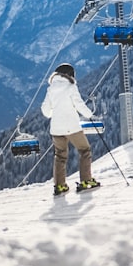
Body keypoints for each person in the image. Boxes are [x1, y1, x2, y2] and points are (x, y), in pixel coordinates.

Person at [41, 63, 100, 195]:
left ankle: (59, 186)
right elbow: (79, 104)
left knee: (60, 156)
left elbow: (45, 110)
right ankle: (86, 180)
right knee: (85, 150)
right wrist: (89, 115)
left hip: (56, 129)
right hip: (71, 127)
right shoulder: (70, 87)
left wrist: (53, 113)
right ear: (69, 74)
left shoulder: (51, 89)